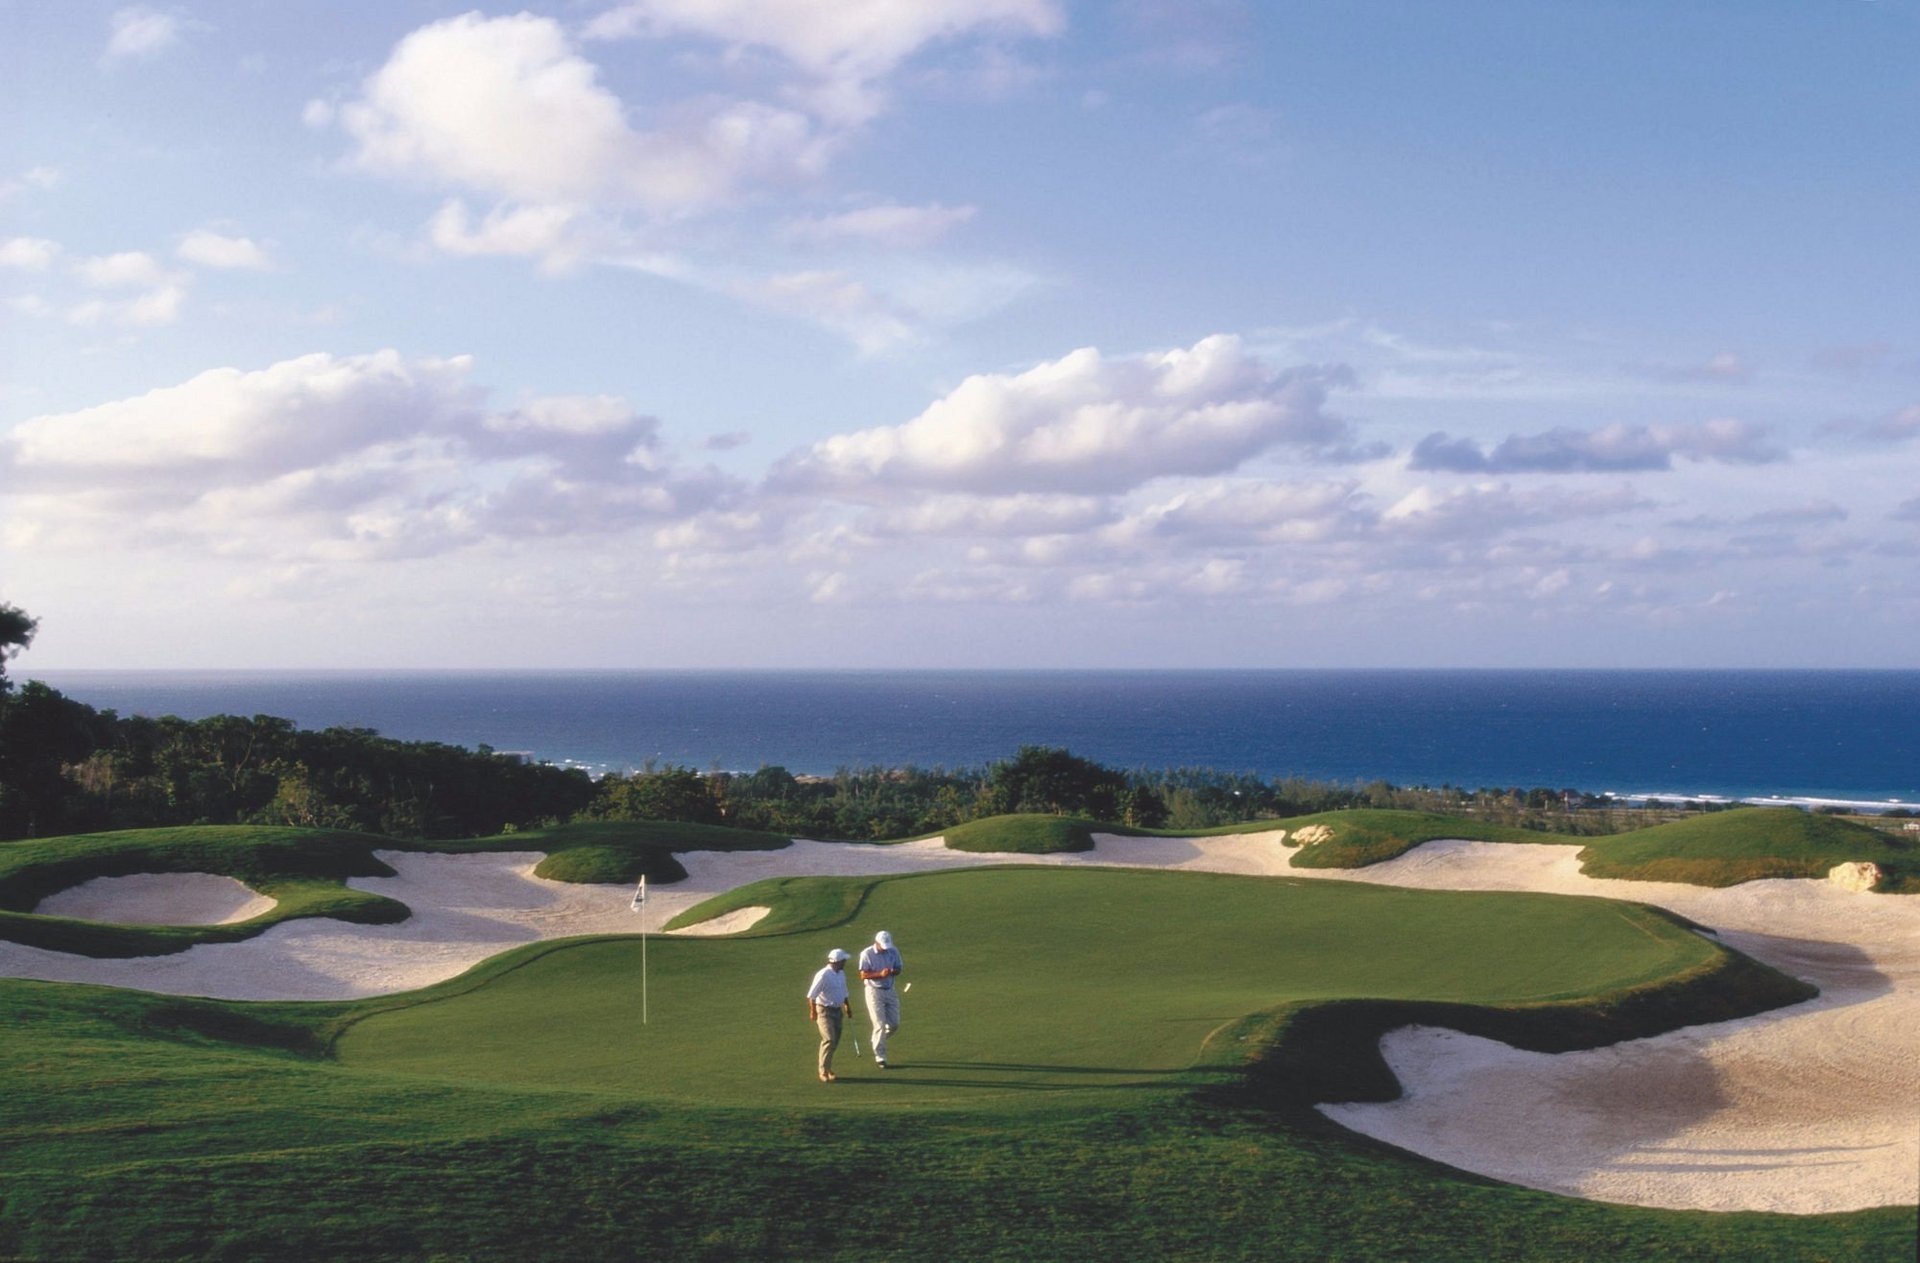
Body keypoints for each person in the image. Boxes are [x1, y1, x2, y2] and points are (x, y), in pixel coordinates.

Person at [857, 930, 904, 1069]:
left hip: (890, 990)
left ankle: (876, 1040)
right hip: (874, 992)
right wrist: (879, 974)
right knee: (879, 1025)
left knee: (894, 1024)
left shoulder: (893, 951)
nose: (885, 948)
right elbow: (863, 975)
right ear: (876, 942)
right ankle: (880, 1057)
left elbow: (899, 968)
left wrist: (891, 972)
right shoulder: (867, 954)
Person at [805, 948, 853, 1082]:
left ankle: (828, 1068)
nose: (845, 962)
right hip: (824, 1011)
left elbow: (844, 991)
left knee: (835, 1041)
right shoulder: (823, 975)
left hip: (837, 1011)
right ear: (837, 961)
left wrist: (847, 1006)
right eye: (843, 960)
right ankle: (823, 1071)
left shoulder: (841, 974)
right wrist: (813, 1011)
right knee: (829, 1039)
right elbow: (811, 996)